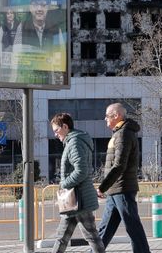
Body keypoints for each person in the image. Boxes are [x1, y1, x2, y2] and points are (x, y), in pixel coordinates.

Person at [97, 103, 151, 253]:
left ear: (116, 115)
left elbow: (119, 165)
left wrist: (103, 186)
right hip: (115, 189)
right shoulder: (119, 133)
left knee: (133, 227)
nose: (105, 119)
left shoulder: (123, 134)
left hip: (123, 188)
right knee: (104, 229)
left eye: (107, 115)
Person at [50, 112, 106, 253]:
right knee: (64, 237)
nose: (56, 134)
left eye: (57, 130)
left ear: (65, 126)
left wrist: (64, 184)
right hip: (75, 199)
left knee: (90, 237)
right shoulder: (73, 141)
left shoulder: (74, 143)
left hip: (79, 199)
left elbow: (81, 171)